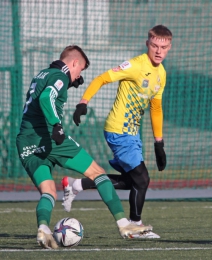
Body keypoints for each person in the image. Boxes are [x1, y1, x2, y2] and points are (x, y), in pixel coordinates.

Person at [16, 45, 152, 249]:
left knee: (49, 192)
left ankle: (43, 229)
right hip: (49, 138)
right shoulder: (59, 75)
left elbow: (43, 95)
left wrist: (68, 83)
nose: (79, 75)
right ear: (74, 63)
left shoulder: (43, 74)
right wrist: (56, 125)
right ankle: (124, 225)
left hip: (25, 141)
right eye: (80, 70)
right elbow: (46, 98)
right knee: (98, 174)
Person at [62, 25, 172, 238]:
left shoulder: (162, 74)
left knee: (132, 181)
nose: (159, 51)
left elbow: (156, 107)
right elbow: (102, 78)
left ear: (169, 47)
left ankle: (76, 185)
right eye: (155, 45)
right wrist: (83, 102)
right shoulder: (135, 65)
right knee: (142, 179)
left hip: (132, 134)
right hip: (118, 130)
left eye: (164, 47)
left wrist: (159, 143)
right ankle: (134, 226)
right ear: (147, 43)